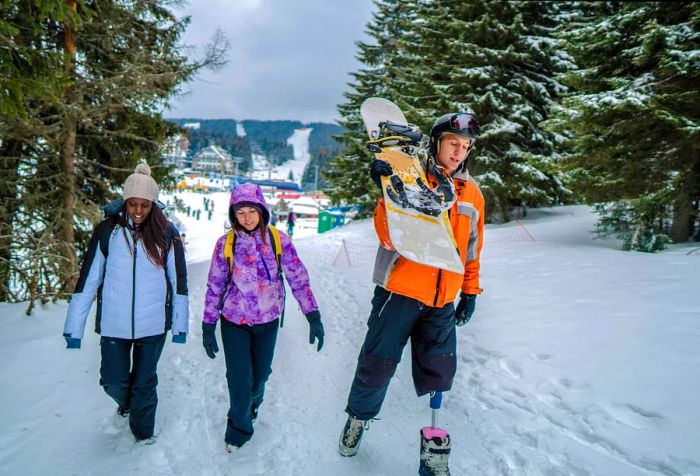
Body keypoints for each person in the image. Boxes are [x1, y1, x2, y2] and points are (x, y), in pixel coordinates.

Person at [339, 113, 484, 474]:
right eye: (453, 143)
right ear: (436, 143)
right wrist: (385, 190)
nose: (458, 152)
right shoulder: (409, 179)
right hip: (400, 290)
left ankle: (433, 449)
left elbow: (471, 250)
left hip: (442, 299)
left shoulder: (472, 194)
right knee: (377, 365)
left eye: (465, 146)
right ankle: (358, 418)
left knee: (439, 372)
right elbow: (388, 236)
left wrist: (470, 290)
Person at [63, 162, 189, 444]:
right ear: (125, 202)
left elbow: (178, 284)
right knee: (113, 380)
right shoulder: (108, 232)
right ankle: (126, 401)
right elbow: (88, 280)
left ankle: (143, 436)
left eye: (144, 205)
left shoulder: (167, 234)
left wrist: (179, 327)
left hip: (153, 324)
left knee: (145, 382)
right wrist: (74, 329)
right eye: (133, 204)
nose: (138, 211)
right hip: (113, 324)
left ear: (153, 204)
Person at [201, 183, 324, 451]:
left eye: (251, 211)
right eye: (240, 212)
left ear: (262, 211)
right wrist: (208, 325)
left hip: (268, 322)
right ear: (234, 215)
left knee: (260, 377)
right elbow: (215, 286)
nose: (246, 217)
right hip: (234, 322)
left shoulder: (280, 241)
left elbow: (298, 280)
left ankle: (251, 405)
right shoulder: (225, 244)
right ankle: (238, 432)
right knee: (239, 380)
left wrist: (313, 315)